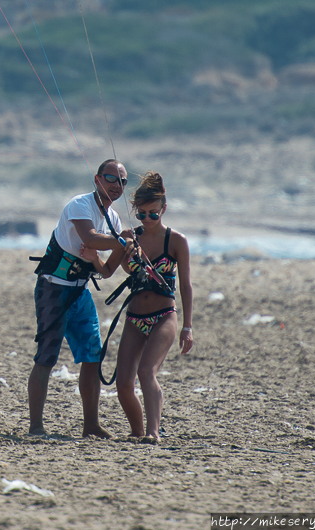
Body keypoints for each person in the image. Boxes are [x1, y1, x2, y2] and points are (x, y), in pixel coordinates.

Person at [27, 159, 135, 438]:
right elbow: (91, 237)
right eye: (111, 178)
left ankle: (91, 425)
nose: (117, 185)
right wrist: (121, 241)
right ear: (97, 179)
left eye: (122, 181)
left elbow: (109, 269)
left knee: (92, 356)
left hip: (80, 290)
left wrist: (128, 249)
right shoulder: (80, 204)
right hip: (53, 288)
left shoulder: (113, 220)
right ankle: (36, 426)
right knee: (46, 357)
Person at [115, 171, 193, 443]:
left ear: (164, 209)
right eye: (142, 215)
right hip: (135, 315)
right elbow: (126, 270)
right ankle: (137, 431)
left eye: (153, 214)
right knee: (123, 383)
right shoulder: (132, 238)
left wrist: (187, 327)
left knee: (146, 372)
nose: (147, 220)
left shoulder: (176, 241)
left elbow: (185, 286)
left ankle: (153, 432)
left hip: (164, 316)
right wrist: (125, 249)